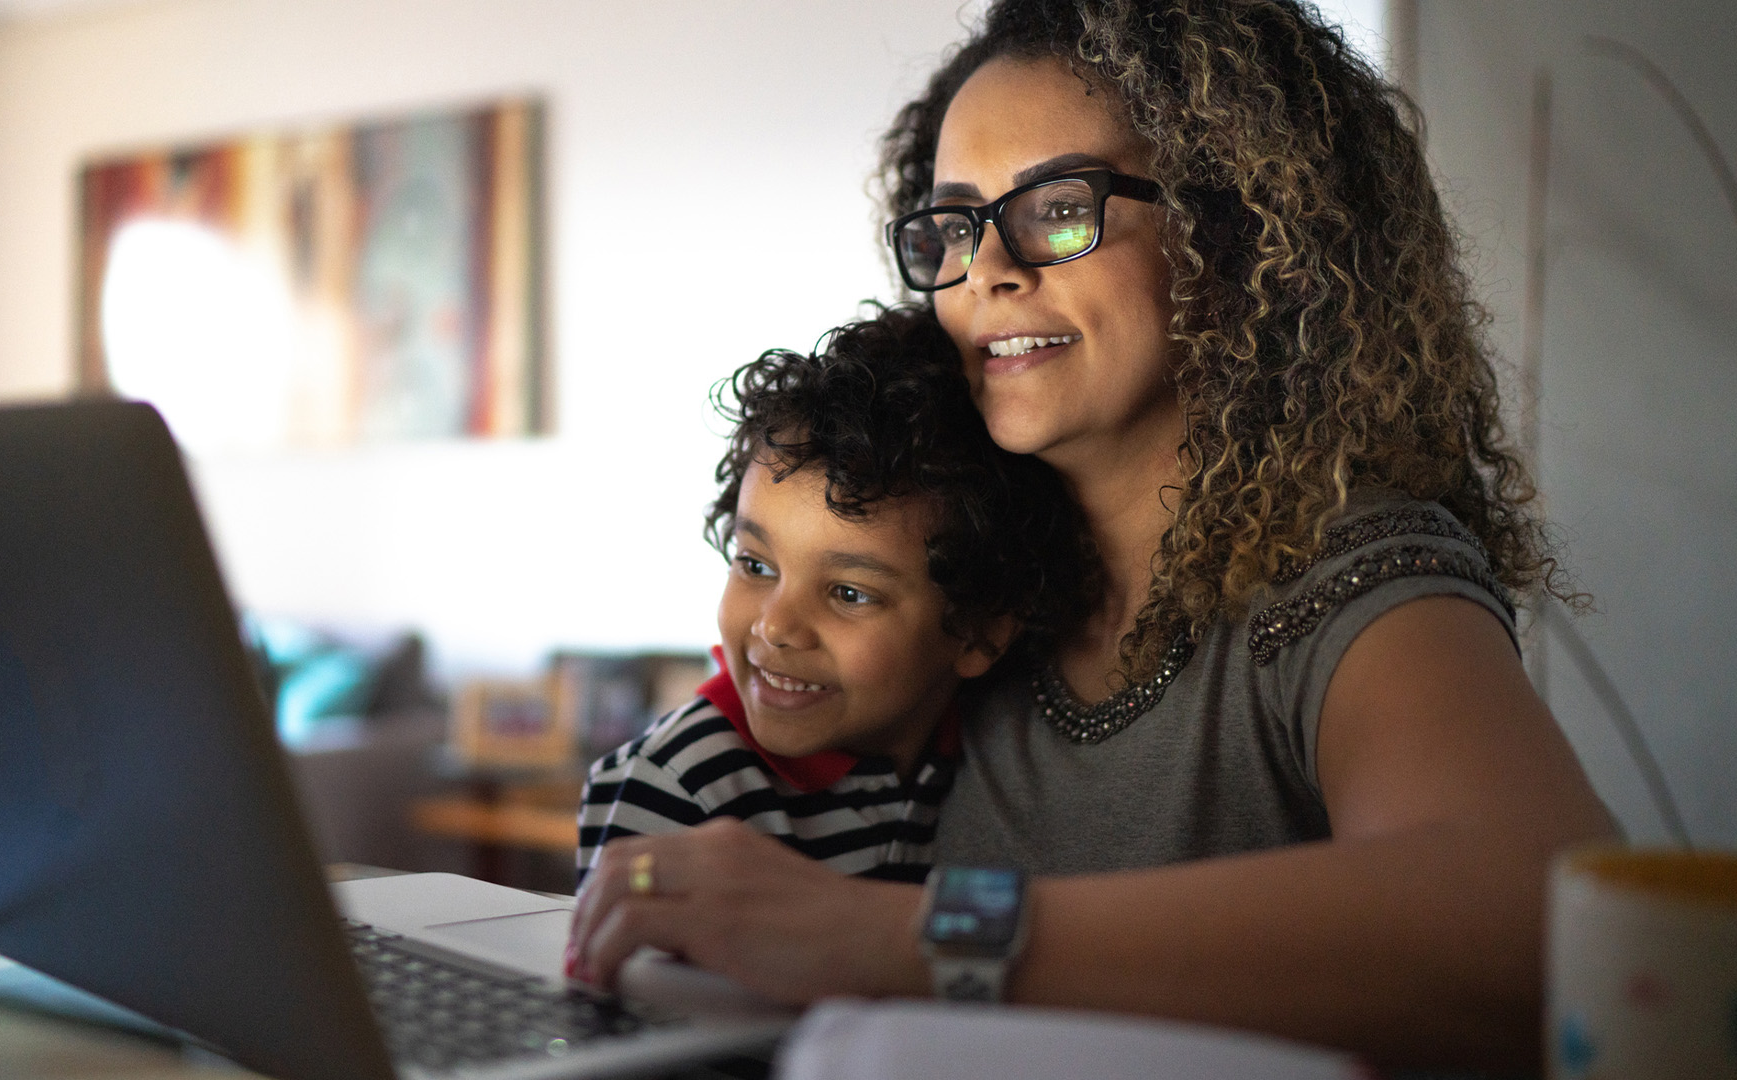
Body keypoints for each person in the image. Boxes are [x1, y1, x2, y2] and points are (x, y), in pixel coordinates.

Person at [568, 0, 1615, 1072]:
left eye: (1059, 208)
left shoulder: (1342, 576)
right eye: (955, 224)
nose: (987, 273)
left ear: (1239, 232)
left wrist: (899, 939)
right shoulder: (969, 579)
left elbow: (1538, 916)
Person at [573, 307, 1092, 898]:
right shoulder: (676, 786)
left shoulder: (995, 757)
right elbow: (625, 981)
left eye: (848, 593)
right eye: (756, 565)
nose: (776, 626)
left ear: (979, 633)